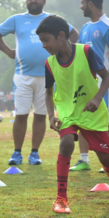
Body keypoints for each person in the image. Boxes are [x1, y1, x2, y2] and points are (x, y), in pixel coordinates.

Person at [0, 0, 79, 165]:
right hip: (22, 75)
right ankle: (17, 152)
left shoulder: (52, 19)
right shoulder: (16, 19)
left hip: (47, 75)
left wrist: (62, 53)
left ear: (44, 1)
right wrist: (9, 52)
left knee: (40, 116)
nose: (33, 1)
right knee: (21, 115)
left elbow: (74, 34)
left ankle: (34, 153)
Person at [38, 15, 109, 214]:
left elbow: (106, 77)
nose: (43, 45)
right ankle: (61, 198)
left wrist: (97, 99)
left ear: (61, 35)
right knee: (67, 142)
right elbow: (49, 93)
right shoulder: (49, 63)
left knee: (106, 160)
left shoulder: (86, 52)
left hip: (91, 112)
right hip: (67, 112)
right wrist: (51, 115)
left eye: (46, 40)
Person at [70, 0, 109, 172]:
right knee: (83, 120)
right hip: (85, 86)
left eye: (82, 3)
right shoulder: (85, 28)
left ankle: (105, 160)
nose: (80, 7)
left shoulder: (107, 26)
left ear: (90, 4)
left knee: (105, 122)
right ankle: (83, 160)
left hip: (104, 85)